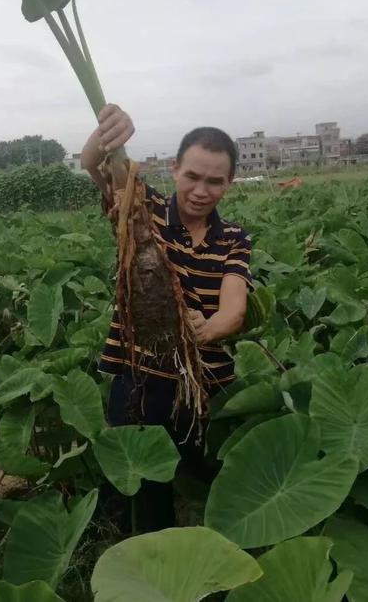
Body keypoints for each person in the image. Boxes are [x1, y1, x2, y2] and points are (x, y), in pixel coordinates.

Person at [81, 103, 253, 531]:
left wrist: (208, 327)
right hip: (140, 373)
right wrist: (108, 133)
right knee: (136, 486)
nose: (200, 190)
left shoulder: (233, 238)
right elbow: (95, 168)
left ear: (229, 184)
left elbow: (234, 306)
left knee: (215, 480)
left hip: (202, 380)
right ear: (175, 169)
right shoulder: (144, 209)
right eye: (192, 176)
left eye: (215, 181)